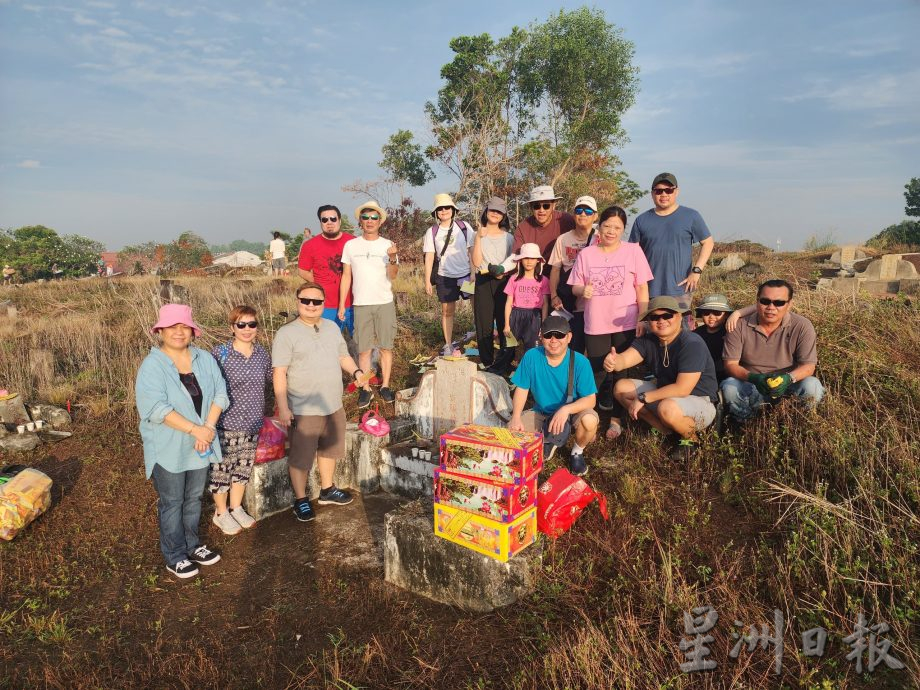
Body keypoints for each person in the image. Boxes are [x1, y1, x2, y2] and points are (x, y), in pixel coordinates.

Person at [135, 304, 228, 579]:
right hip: (169, 446)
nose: (179, 331)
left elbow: (220, 394)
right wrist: (195, 430)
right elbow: (156, 409)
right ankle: (174, 555)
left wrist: (207, 429)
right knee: (173, 500)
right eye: (172, 326)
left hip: (202, 442)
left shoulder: (204, 359)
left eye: (184, 326)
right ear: (160, 331)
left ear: (192, 331)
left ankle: (193, 544)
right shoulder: (152, 365)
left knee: (193, 498)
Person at [273, 282, 365, 522]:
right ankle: (301, 499)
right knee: (301, 457)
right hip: (304, 408)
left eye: (317, 301)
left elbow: (343, 356)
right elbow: (279, 372)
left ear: (324, 304)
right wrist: (283, 407)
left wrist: (356, 373)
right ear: (298, 302)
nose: (311, 306)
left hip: (333, 404)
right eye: (306, 301)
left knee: (329, 450)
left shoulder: (332, 327)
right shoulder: (286, 333)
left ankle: (327, 489)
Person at [567, 206, 652, 440]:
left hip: (626, 322)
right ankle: (589, 418)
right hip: (596, 322)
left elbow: (642, 288)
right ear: (599, 226)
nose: (611, 231)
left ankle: (616, 420)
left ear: (623, 230)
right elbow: (574, 286)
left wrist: (642, 318)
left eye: (617, 228)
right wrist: (583, 289)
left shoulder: (633, 251)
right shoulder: (587, 255)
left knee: (621, 374)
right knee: (596, 372)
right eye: (607, 226)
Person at [604, 296, 719, 459]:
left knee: (667, 408)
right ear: (648, 321)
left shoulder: (692, 343)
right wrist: (614, 362)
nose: (661, 320)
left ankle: (693, 440)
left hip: (700, 401)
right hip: (668, 397)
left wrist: (644, 398)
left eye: (667, 315)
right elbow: (625, 360)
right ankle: (666, 432)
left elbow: (682, 388)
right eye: (654, 317)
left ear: (679, 317)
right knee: (621, 388)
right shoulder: (648, 341)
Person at [209, 305, 272, 535]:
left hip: (253, 422)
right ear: (232, 328)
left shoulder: (263, 355)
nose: (247, 329)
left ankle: (236, 508)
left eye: (251, 324)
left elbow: (274, 380)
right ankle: (220, 512)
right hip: (225, 423)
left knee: (243, 468)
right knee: (222, 469)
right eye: (241, 324)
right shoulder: (220, 354)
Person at [721, 279, 824, 421]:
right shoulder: (738, 325)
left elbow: (808, 366)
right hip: (752, 384)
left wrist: (788, 378)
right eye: (765, 301)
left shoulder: (802, 326)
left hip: (787, 387)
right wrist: (754, 378)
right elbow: (730, 364)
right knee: (730, 387)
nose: (771, 307)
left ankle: (797, 427)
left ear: (789, 305)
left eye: (779, 303)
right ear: (757, 301)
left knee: (812, 386)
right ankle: (745, 427)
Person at [509, 316, 599, 476]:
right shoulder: (531, 356)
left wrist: (565, 410)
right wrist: (516, 416)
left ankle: (577, 452)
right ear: (540, 336)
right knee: (512, 434)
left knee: (589, 421)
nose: (553, 340)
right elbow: (522, 389)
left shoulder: (580, 362)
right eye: (548, 335)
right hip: (542, 411)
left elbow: (590, 400)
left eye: (559, 335)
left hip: (574, 410)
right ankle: (547, 441)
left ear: (569, 337)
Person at [628, 173, 715, 321]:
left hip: (680, 290)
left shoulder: (691, 216)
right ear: (652, 193)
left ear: (676, 191)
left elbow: (708, 242)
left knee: (682, 334)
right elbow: (631, 253)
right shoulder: (641, 220)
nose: (663, 194)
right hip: (648, 290)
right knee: (651, 334)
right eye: (658, 190)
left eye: (668, 190)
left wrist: (697, 271)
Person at [338, 200, 399, 407]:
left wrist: (392, 259)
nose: (370, 221)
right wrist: (341, 305)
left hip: (384, 303)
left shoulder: (388, 245)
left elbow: (393, 276)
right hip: (361, 304)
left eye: (374, 217)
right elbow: (346, 276)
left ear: (380, 221)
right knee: (363, 349)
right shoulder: (351, 245)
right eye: (366, 217)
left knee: (385, 347)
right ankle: (365, 388)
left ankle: (385, 386)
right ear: (360, 221)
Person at [423, 193, 473, 356]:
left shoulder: (464, 227)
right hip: (445, 277)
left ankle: (481, 338)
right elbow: (429, 256)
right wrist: (427, 281)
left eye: (447, 207)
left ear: (453, 210)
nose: (444, 210)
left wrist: (474, 273)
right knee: (447, 311)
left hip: (465, 275)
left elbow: (472, 250)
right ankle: (448, 344)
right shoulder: (432, 232)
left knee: (476, 308)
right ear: (436, 212)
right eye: (440, 208)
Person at [548, 195, 599, 354]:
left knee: (595, 348)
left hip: (595, 302)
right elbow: (555, 269)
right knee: (574, 346)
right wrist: (554, 296)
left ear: (595, 216)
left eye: (588, 211)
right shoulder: (563, 239)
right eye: (579, 210)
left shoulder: (600, 237)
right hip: (570, 303)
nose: (583, 214)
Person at [471, 196, 515, 375]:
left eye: (499, 211)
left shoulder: (509, 238)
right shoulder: (478, 235)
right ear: (486, 212)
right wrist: (479, 238)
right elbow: (476, 261)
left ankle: (506, 359)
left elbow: (513, 263)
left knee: (506, 321)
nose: (495, 214)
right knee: (484, 323)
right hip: (483, 280)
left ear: (503, 215)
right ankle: (488, 361)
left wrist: (503, 273)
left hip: (504, 281)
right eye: (492, 210)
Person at [298, 205, 355, 333]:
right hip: (326, 306)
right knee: (327, 346)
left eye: (333, 219)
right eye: (325, 220)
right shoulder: (310, 245)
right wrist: (318, 283)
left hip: (354, 304)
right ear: (320, 223)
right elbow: (302, 270)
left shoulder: (352, 242)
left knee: (361, 346)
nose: (329, 223)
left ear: (339, 220)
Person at [512, 185, 576, 276]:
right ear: (531, 207)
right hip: (535, 278)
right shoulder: (522, 228)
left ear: (553, 205)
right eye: (537, 206)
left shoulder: (566, 220)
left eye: (546, 206)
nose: (541, 210)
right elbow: (515, 257)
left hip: (563, 276)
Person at [503, 243, 550, 357]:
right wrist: (507, 324)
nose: (529, 261)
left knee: (533, 348)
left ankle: (530, 371)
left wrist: (543, 324)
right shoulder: (513, 279)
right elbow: (508, 303)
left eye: (532, 258)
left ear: (538, 260)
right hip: (516, 315)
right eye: (526, 258)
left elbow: (545, 304)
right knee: (508, 347)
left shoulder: (543, 280)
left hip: (534, 316)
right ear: (520, 260)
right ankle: (502, 370)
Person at [692, 294, 733, 382]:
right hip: (702, 378)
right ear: (701, 315)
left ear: (726, 315)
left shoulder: (732, 332)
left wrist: (737, 314)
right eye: (706, 313)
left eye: (717, 313)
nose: (711, 316)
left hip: (727, 378)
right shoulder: (695, 335)